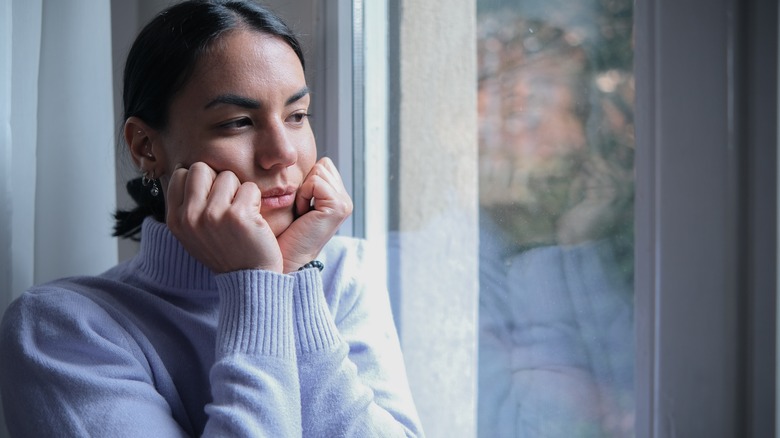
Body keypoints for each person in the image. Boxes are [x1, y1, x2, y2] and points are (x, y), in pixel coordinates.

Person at [0, 1, 424, 436]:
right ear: (146, 146)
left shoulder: (341, 275)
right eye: (238, 122)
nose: (283, 153)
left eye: (297, 116)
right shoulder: (59, 330)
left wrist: (295, 274)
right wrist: (256, 284)